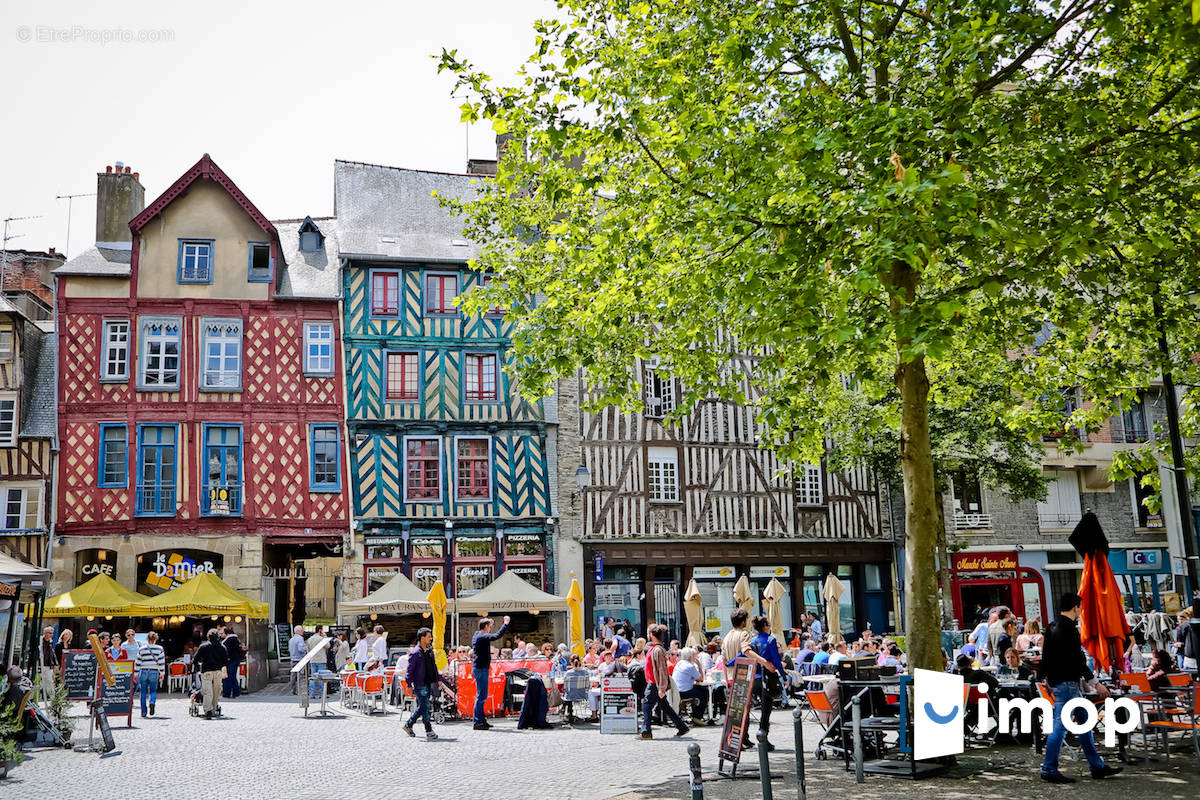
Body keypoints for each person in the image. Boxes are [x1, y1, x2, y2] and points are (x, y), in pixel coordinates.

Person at [1039, 592, 1122, 783]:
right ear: (1076, 607)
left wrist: (1045, 677)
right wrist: (1095, 682)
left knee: (1084, 724)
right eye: (1080, 608)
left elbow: (1047, 656)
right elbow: (1077, 658)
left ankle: (1097, 766)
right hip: (1068, 683)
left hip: (1060, 681)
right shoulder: (1069, 628)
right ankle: (1049, 768)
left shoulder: (1051, 626)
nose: (1081, 611)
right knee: (1060, 726)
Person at [637, 624, 689, 740]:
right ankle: (682, 727)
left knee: (646, 706)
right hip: (654, 682)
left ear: (651, 635)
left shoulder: (658, 650)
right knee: (665, 707)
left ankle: (646, 731)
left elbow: (662, 669)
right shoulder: (655, 648)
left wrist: (661, 687)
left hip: (655, 683)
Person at [750, 616, 785, 750]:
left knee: (750, 709)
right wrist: (784, 676)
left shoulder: (752, 641)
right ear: (765, 626)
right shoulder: (771, 640)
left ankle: (744, 738)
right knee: (766, 711)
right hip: (767, 679)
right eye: (769, 625)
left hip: (755, 678)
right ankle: (763, 738)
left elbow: (743, 654)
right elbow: (776, 661)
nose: (770, 628)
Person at [470, 615, 510, 730]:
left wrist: (489, 622)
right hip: (481, 668)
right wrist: (505, 623)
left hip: (479, 668)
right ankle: (478, 722)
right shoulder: (482, 636)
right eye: (489, 627)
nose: (490, 629)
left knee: (482, 696)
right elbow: (497, 635)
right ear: (486, 627)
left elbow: (488, 631)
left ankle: (481, 720)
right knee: (481, 696)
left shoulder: (477, 635)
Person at [402, 627, 440, 740]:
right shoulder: (415, 653)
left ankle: (409, 724)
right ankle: (428, 730)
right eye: (429, 637)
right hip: (420, 683)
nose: (431, 638)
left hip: (428, 682)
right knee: (425, 707)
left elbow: (434, 666)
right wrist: (408, 684)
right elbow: (409, 670)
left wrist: (438, 680)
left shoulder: (429, 650)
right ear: (422, 638)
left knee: (423, 707)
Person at [193, 629, 228, 720]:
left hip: (207, 671)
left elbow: (195, 659)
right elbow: (225, 661)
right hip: (218, 671)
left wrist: (198, 666)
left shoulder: (203, 646)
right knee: (216, 691)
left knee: (208, 691)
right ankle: (214, 708)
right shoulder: (222, 647)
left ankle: (208, 710)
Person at [673, 647, 708, 724]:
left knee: (698, 690)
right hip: (684, 692)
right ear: (691, 656)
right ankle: (697, 717)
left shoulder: (679, 663)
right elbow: (701, 679)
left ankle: (695, 715)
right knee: (704, 692)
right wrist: (699, 665)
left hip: (677, 691)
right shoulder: (690, 666)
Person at [135, 631, 165, 718]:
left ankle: (143, 712)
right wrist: (162, 673)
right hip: (154, 671)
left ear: (147, 639)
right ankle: (152, 702)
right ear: (156, 639)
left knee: (143, 691)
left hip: (143, 671)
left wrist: (136, 674)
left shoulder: (142, 649)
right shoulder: (159, 649)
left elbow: (138, 662)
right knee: (153, 690)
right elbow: (161, 662)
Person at [221, 626, 244, 699]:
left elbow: (227, 651)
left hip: (230, 661)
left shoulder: (229, 640)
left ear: (226, 634)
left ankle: (227, 693)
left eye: (222, 633)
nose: (221, 635)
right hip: (235, 660)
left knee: (228, 677)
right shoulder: (235, 639)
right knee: (233, 676)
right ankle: (236, 692)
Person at [287, 625, 307, 694]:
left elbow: (289, 649)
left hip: (293, 659)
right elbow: (301, 649)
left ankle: (293, 689)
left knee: (293, 675)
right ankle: (301, 689)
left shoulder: (291, 640)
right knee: (300, 675)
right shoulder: (300, 638)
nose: (303, 632)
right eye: (302, 630)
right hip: (299, 659)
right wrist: (306, 649)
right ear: (298, 631)